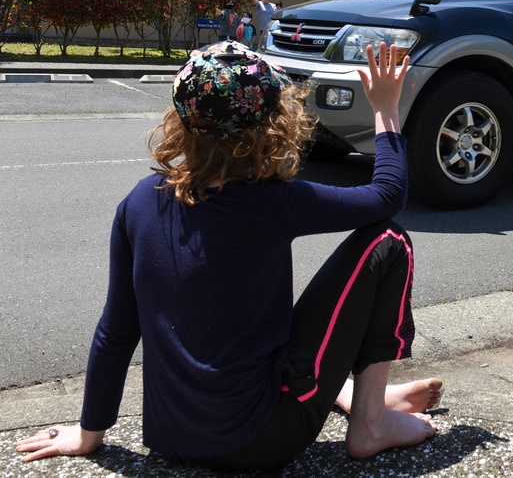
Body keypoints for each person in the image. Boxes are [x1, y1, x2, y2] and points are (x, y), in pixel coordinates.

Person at [16, 40, 442, 470]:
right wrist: (385, 108)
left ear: (181, 117)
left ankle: (348, 395)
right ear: (273, 123)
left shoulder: (140, 201)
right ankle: (370, 421)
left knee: (249, 321)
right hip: (263, 438)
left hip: (172, 436)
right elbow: (387, 196)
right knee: (388, 240)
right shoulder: (273, 200)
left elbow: (116, 329)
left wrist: (89, 434)